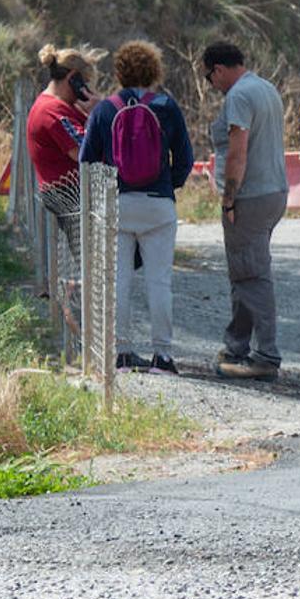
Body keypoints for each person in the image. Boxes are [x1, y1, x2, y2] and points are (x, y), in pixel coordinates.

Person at [80, 41, 193, 375]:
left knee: (118, 281)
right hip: (159, 207)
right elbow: (184, 160)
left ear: (119, 71)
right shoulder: (166, 107)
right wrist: (163, 185)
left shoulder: (105, 109)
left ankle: (122, 353)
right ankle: (164, 356)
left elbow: (87, 162)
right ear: (154, 70)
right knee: (160, 283)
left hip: (118, 204)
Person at [202, 42, 288, 381]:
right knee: (245, 271)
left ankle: (266, 355)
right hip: (274, 192)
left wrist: (229, 198)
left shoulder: (238, 96)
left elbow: (238, 152)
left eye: (210, 78)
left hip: (250, 196)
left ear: (219, 70)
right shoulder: (265, 88)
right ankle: (236, 346)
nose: (213, 85)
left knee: (253, 277)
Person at [25, 44, 102, 260]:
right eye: (84, 83)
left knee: (92, 258)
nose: (86, 88)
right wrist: (97, 116)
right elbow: (82, 152)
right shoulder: (53, 111)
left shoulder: (60, 106)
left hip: (72, 191)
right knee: (91, 259)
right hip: (69, 193)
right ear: (74, 78)